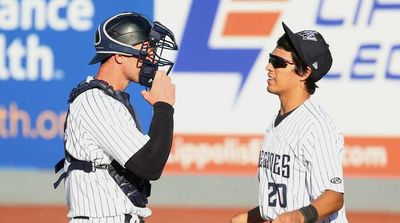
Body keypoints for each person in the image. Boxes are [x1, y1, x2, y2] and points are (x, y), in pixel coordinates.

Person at [53, 12, 178, 223]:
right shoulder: (96, 102)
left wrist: (164, 108)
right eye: (146, 49)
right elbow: (150, 164)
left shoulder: (110, 100)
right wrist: (163, 106)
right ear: (119, 55)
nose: (152, 58)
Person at [231, 22, 348, 223]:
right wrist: (247, 218)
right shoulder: (276, 124)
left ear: (304, 73)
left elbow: (334, 197)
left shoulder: (316, 126)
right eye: (270, 59)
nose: (269, 67)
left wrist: (300, 216)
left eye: (278, 62)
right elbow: (287, 199)